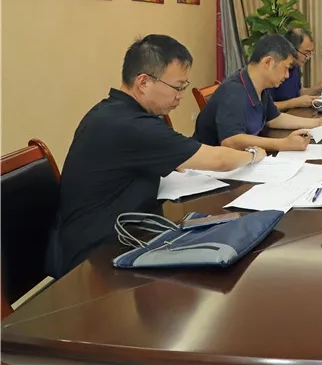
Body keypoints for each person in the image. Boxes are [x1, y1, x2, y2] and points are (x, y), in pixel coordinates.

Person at [46, 35, 268, 278]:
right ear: (143, 82)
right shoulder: (130, 125)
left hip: (125, 234)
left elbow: (166, 159)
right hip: (96, 260)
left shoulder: (113, 112)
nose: (180, 96)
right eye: (177, 87)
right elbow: (218, 160)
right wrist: (252, 155)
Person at [193, 34, 322, 151]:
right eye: (286, 68)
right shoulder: (234, 91)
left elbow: (275, 118)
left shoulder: (259, 87)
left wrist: (317, 123)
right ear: (268, 62)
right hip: (210, 169)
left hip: (243, 159)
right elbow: (231, 141)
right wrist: (283, 144)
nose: (287, 75)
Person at [272, 29, 322, 110]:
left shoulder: (296, 66)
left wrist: (318, 87)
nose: (308, 57)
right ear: (292, 49)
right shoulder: (273, 68)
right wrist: (294, 103)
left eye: (310, 53)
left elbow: (298, 93)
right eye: (306, 53)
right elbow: (265, 107)